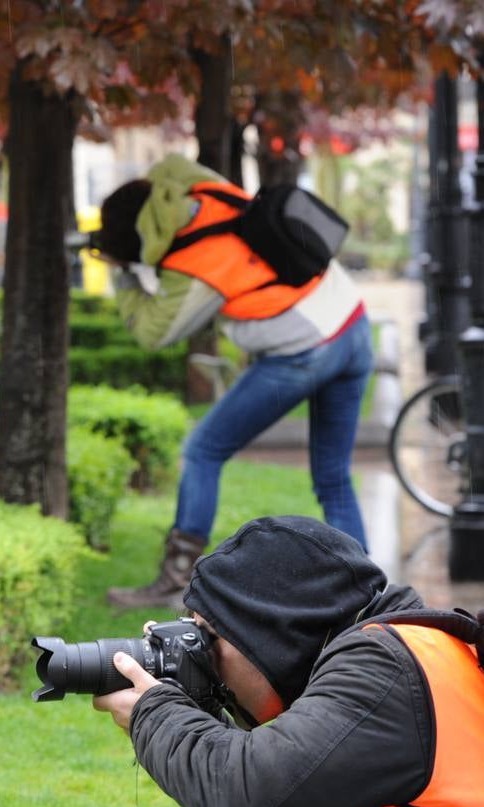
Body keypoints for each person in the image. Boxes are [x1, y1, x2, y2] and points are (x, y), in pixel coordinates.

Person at [94, 516, 484, 807]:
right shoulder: (407, 644)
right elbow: (281, 772)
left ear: (271, 631)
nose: (204, 654)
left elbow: (242, 790)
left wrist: (152, 712)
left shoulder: (381, 670)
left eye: (211, 637)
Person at [95, 154, 373, 610]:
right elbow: (174, 168)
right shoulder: (203, 190)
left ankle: (174, 578)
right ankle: (366, 595)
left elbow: (152, 332)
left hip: (306, 352)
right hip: (353, 326)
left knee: (203, 449)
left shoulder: (195, 269)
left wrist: (122, 272)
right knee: (333, 475)